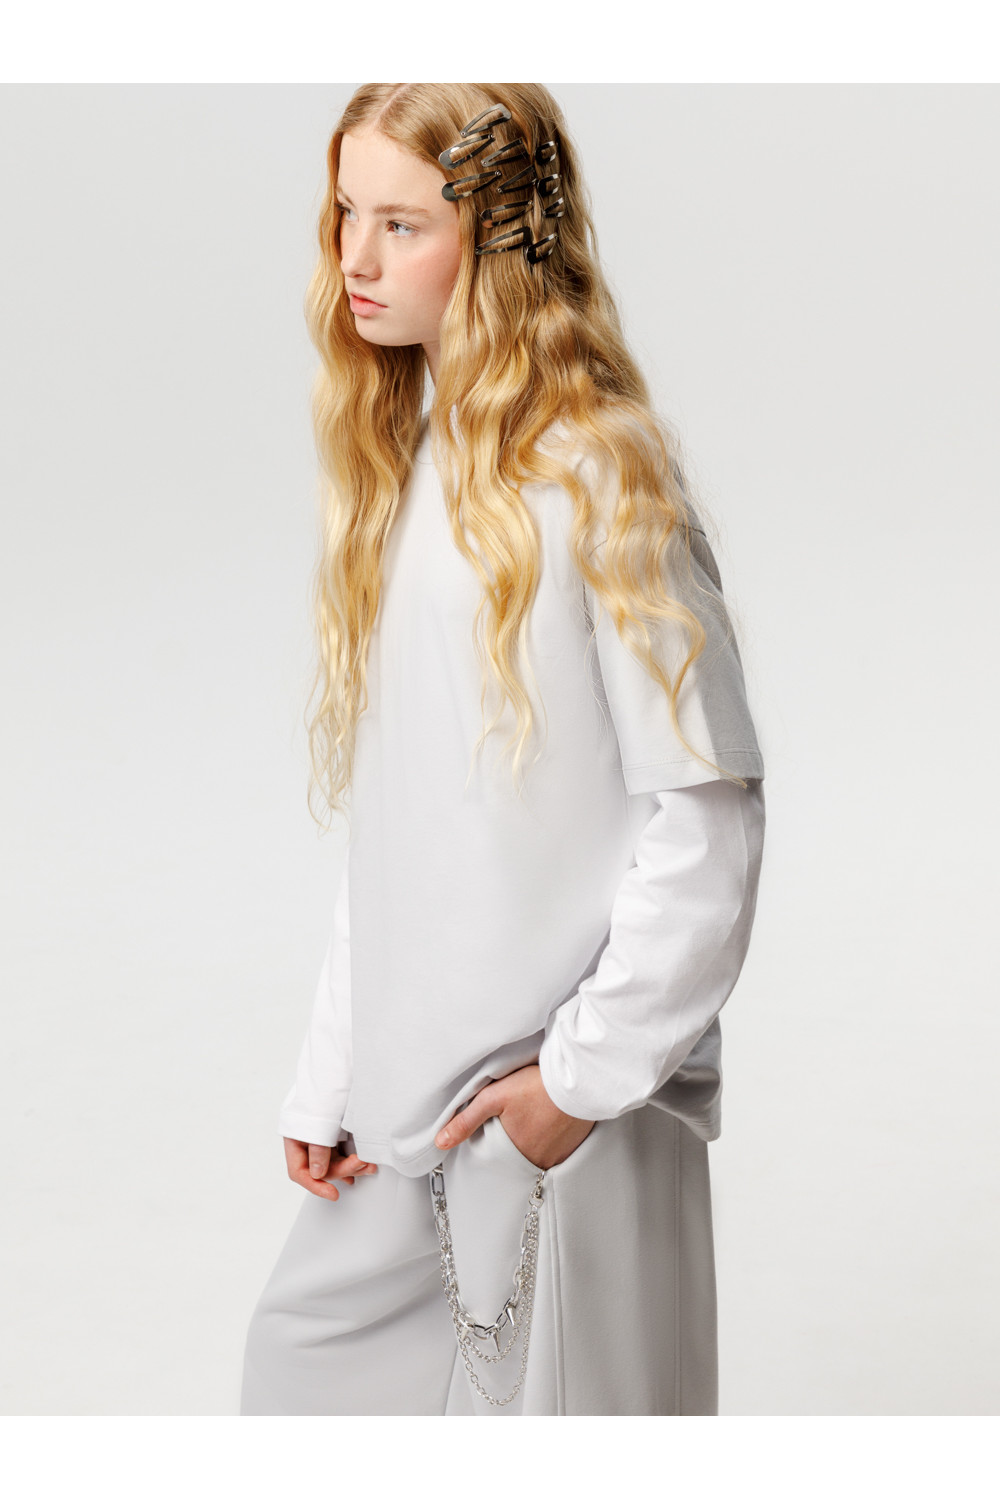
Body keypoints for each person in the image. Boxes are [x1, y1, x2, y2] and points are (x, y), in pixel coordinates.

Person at [239, 82, 766, 1417]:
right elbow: (407, 827)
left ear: (494, 243)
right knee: (301, 1376)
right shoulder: (412, 468)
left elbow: (706, 815)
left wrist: (577, 1085)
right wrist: (337, 1063)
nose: (354, 258)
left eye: (402, 223)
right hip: (413, 1110)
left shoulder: (601, 477)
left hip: (552, 1115)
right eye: (346, 213)